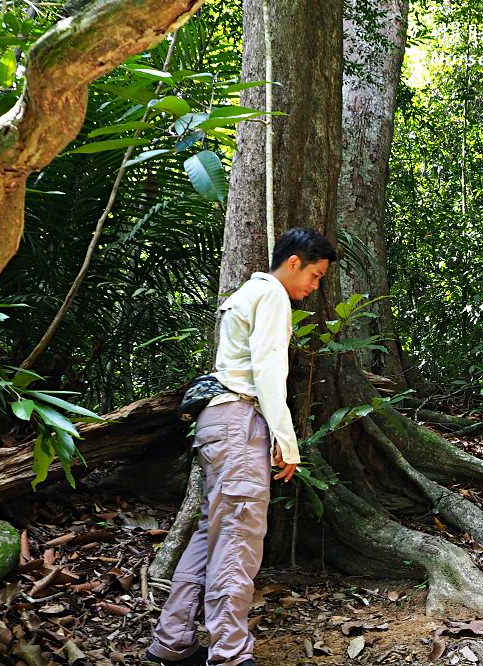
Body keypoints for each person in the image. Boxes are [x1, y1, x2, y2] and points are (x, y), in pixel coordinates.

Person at [145, 228, 336, 666]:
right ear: (293, 262)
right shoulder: (271, 296)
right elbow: (268, 371)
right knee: (238, 537)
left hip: (216, 421)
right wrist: (287, 443)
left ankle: (171, 642)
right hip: (238, 420)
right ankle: (230, 655)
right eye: (316, 275)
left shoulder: (247, 292)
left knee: (210, 535)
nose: (315, 285)